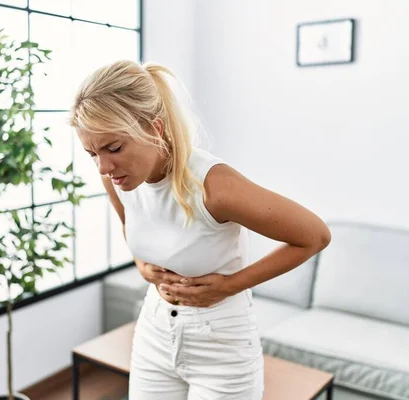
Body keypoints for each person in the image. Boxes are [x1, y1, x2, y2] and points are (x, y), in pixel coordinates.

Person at [68, 60, 331, 400]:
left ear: (155, 128)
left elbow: (314, 236)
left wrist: (228, 286)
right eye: (92, 153)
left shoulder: (214, 186)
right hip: (154, 331)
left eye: (114, 148)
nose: (103, 166)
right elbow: (130, 226)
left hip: (221, 345)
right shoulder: (114, 179)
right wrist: (142, 265)